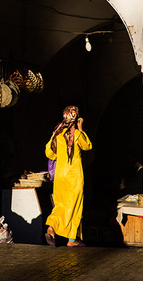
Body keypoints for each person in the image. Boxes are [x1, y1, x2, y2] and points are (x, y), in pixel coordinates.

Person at [45, 105, 92, 247]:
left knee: (60, 205)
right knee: (75, 206)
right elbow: (87, 146)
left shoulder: (57, 133)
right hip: (74, 177)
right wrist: (81, 128)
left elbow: (49, 153)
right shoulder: (77, 134)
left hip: (60, 176)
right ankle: (72, 240)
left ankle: (51, 227)